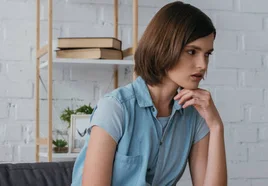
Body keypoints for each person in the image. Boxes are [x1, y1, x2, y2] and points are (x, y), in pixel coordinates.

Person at [70, 1, 228, 186]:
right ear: (164, 48)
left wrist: (216, 126)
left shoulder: (195, 115)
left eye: (207, 54)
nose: (202, 64)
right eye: (192, 52)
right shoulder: (116, 108)